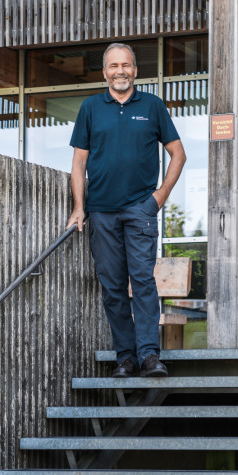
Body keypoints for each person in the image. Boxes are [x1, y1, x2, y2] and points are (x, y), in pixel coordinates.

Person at [66, 42, 186, 378]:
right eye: (114, 66)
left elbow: (178, 154)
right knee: (113, 287)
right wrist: (79, 207)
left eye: (126, 65)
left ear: (135, 69)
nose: (121, 71)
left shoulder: (152, 106)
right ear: (105, 72)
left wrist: (158, 197)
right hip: (101, 211)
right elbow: (79, 162)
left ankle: (149, 356)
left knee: (143, 282)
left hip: (139, 210)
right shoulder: (91, 108)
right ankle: (126, 358)